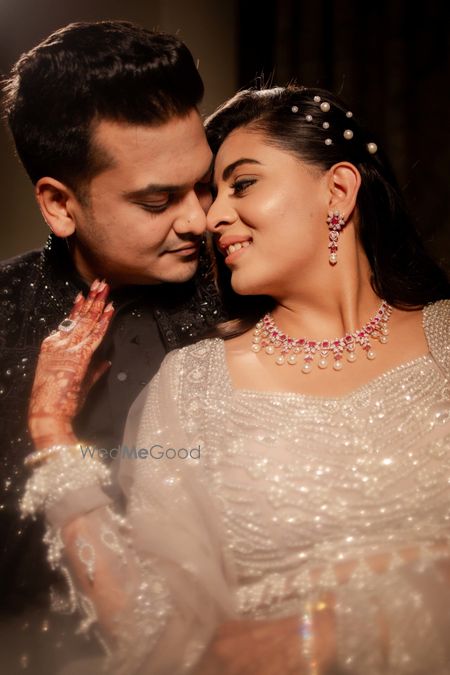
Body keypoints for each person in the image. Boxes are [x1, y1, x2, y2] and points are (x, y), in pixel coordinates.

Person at [22, 85, 450, 674]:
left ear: (339, 189)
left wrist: (357, 627)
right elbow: (156, 630)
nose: (211, 217)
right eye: (212, 193)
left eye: (241, 184)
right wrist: (51, 433)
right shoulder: (191, 385)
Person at [0, 20, 224, 674]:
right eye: (159, 201)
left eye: (203, 184)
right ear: (59, 204)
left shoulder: (252, 293)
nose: (199, 219)